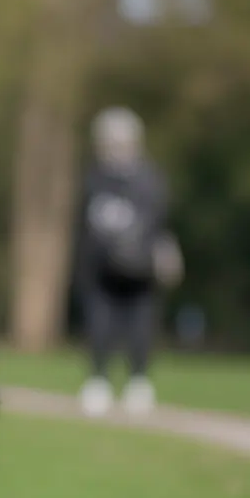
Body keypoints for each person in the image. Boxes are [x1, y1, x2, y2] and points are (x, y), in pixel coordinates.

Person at [74, 107, 182, 416]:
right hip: (100, 269)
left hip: (141, 270)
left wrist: (164, 251)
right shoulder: (95, 178)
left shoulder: (150, 178)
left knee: (141, 326)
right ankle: (98, 381)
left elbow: (160, 222)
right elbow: (87, 223)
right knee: (99, 325)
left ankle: (139, 383)